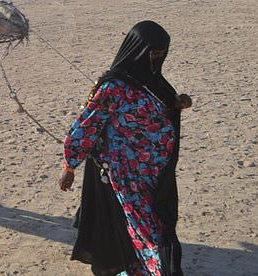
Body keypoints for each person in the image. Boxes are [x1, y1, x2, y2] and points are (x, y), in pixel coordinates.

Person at [59, 21, 192, 276]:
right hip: (125, 175)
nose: (156, 59)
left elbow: (160, 111)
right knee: (145, 227)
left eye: (161, 55)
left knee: (156, 222)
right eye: (153, 53)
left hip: (156, 175)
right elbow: (87, 125)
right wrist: (69, 165)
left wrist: (177, 104)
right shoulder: (112, 87)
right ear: (137, 51)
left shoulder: (154, 82)